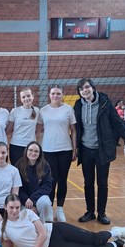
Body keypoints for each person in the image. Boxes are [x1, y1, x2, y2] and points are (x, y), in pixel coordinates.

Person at [0, 194, 125, 247]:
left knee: (98, 240)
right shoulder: (3, 226)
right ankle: (121, 243)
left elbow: (43, 234)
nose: (15, 211)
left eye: (17, 207)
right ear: (5, 207)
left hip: (57, 231)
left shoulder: (28, 213)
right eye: (11, 208)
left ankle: (116, 231)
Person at [73, 78, 125, 225]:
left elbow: (117, 122)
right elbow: (75, 126)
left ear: (93, 88)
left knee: (102, 183)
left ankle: (101, 213)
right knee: (88, 183)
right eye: (81, 89)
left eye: (87, 87)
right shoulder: (78, 105)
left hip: (102, 149)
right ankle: (90, 212)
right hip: (86, 149)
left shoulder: (105, 103)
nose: (84, 91)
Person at [38, 85, 76, 222]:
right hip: (48, 150)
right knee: (51, 180)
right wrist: (39, 148)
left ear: (62, 95)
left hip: (65, 149)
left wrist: (74, 148)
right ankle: (49, 209)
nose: (55, 96)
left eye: (58, 93)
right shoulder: (43, 111)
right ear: (49, 95)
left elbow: (74, 130)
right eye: (53, 93)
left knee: (62, 179)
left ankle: (60, 209)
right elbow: (38, 131)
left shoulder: (68, 109)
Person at [16, 141, 54, 223]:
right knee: (25, 217)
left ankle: (45, 225)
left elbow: (47, 186)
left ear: (40, 154)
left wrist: (32, 199)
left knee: (45, 202)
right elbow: (17, 187)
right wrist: (26, 200)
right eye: (30, 150)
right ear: (26, 151)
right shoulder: (19, 165)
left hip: (38, 198)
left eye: (36, 151)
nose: (33, 153)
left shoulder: (45, 166)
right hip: (24, 200)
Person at [6, 88, 40, 166]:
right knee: (16, 170)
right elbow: (8, 130)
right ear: (21, 99)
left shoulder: (37, 111)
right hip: (16, 146)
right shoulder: (15, 111)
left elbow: (38, 129)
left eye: (28, 96)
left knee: (30, 170)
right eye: (23, 97)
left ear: (33, 96)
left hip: (30, 146)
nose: (26, 98)